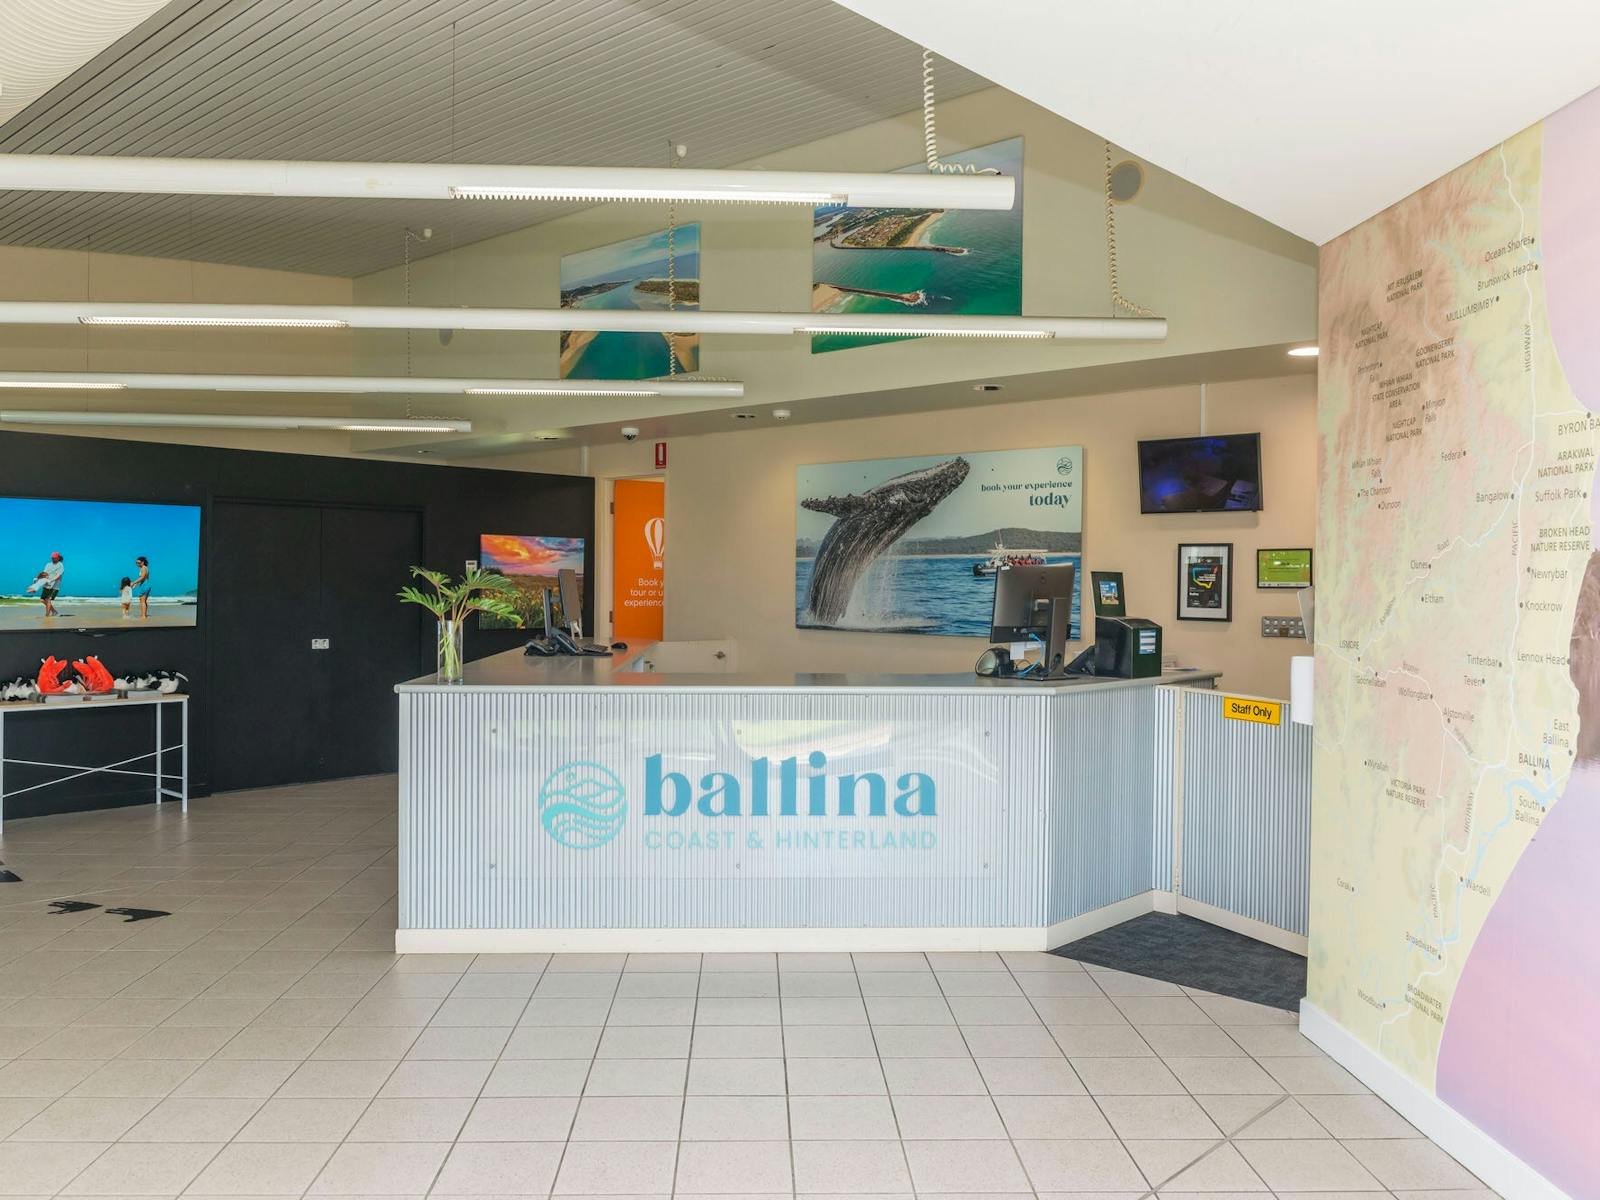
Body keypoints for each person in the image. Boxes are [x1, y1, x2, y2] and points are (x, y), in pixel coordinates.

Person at [26, 552, 64, 618]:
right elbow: (44, 573)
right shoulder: (48, 564)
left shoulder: (60, 565)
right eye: (52, 558)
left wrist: (51, 580)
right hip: (46, 584)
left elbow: (58, 576)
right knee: (42, 600)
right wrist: (38, 578)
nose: (53, 559)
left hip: (54, 586)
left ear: (58, 558)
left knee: (48, 600)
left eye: (55, 558)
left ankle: (47, 615)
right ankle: (54, 611)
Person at [132, 556, 151, 620]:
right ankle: (144, 614)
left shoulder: (143, 568)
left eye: (138, 563)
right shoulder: (144, 568)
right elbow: (142, 578)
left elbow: (142, 577)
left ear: (142, 562)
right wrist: (136, 584)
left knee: (142, 601)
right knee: (143, 601)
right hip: (145, 584)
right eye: (136, 563)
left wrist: (133, 582)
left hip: (144, 585)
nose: (137, 564)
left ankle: (143, 616)